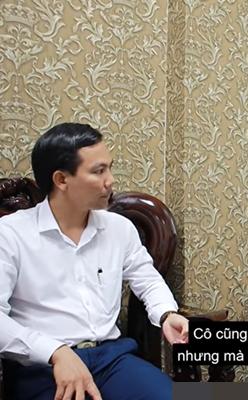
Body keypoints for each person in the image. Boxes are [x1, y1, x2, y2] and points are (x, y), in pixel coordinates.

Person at [0, 123, 189, 400]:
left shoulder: (119, 228)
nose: (110, 181)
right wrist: (54, 352)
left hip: (113, 360)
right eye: (99, 171)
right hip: (45, 368)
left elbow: (147, 280)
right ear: (61, 180)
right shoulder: (11, 234)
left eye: (109, 168)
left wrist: (167, 314)